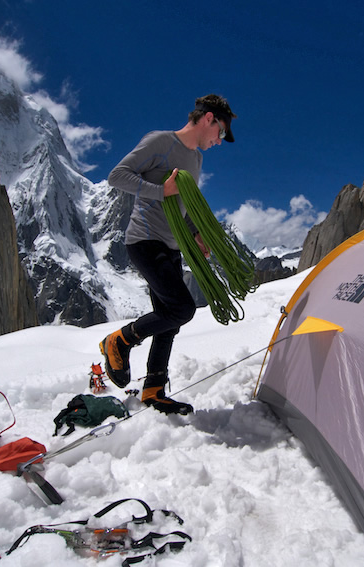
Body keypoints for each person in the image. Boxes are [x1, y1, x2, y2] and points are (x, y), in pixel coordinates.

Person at [100, 94, 236, 415]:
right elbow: (117, 175)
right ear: (208, 119)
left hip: (172, 245)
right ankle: (119, 341)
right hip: (145, 240)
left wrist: (196, 233)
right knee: (181, 308)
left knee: (169, 322)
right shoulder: (160, 142)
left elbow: (182, 204)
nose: (220, 141)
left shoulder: (197, 160)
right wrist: (160, 191)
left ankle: (154, 390)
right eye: (221, 133)